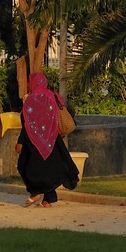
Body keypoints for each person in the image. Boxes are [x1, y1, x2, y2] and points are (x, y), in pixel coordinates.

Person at [16, 71, 80, 208]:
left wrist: (21, 141)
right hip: (52, 140)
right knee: (51, 168)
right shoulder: (52, 96)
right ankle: (48, 200)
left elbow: (27, 122)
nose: (28, 84)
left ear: (34, 83)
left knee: (25, 166)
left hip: (34, 141)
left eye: (29, 81)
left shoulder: (32, 99)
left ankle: (36, 192)